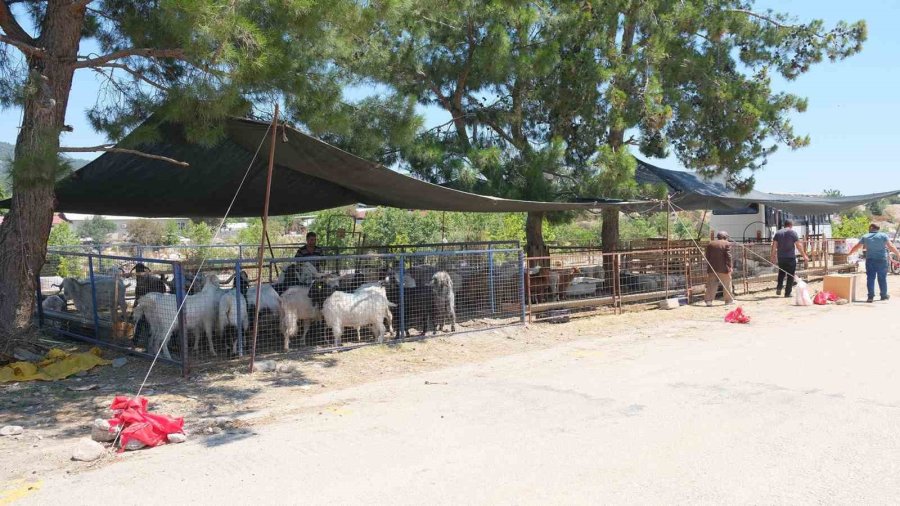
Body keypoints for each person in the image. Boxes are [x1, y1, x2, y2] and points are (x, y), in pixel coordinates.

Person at [848, 223, 900, 302]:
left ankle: (870, 297)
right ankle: (883, 295)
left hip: (870, 260)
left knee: (870, 278)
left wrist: (849, 253)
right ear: (878, 229)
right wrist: (898, 254)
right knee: (882, 278)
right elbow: (891, 246)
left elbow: (857, 246)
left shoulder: (865, 236)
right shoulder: (883, 235)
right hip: (882, 260)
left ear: (871, 228)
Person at [770, 220, 809, 297]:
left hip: (781, 257)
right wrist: (804, 256)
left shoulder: (778, 233)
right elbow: (798, 245)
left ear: (784, 225)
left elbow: (774, 246)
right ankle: (787, 293)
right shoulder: (793, 233)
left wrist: (772, 257)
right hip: (790, 257)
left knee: (781, 273)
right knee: (790, 275)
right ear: (791, 225)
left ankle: (779, 287)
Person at [704, 231, 734, 307]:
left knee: (711, 284)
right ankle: (728, 300)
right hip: (724, 269)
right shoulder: (727, 243)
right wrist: (730, 267)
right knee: (727, 284)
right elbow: (728, 257)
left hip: (712, 268)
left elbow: (707, 256)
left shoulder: (710, 244)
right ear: (725, 237)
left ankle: (708, 301)